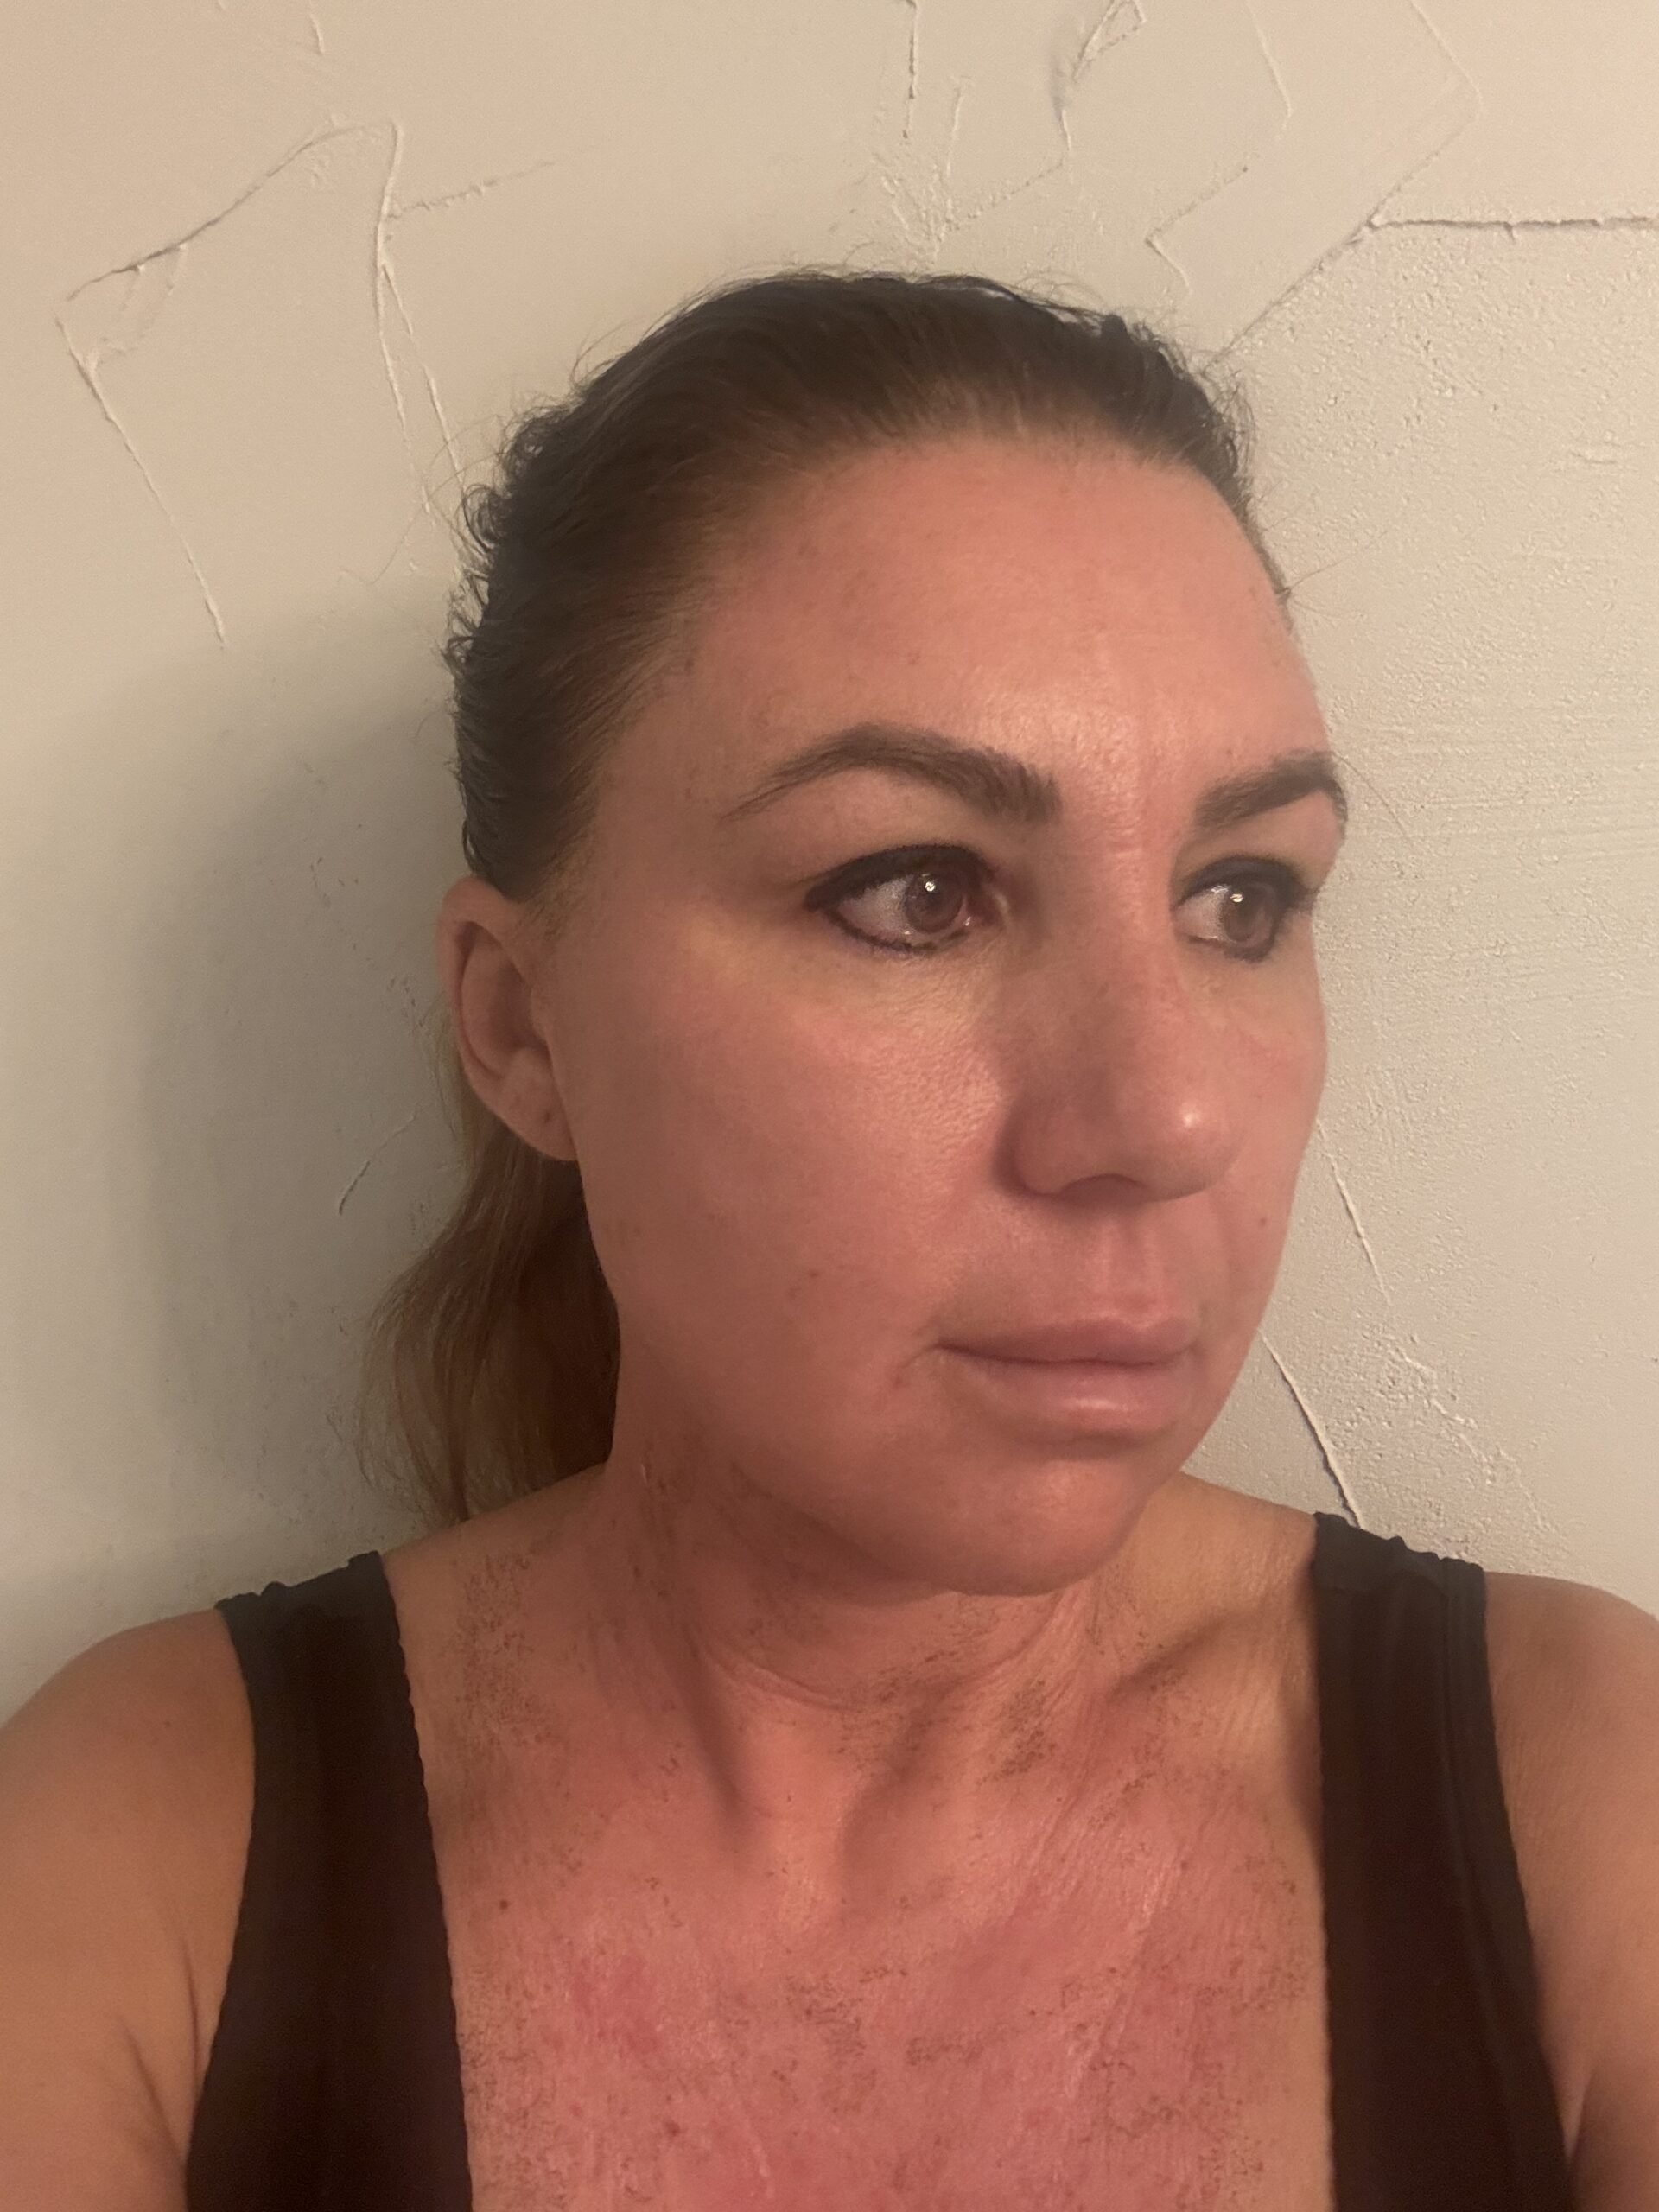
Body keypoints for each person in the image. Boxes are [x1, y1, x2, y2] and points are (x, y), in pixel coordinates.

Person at [0, 268, 1654, 2211]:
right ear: (524, 1028)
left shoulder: (1581, 1793)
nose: (1167, 1120)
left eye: (1240, 897)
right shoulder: (150, 1852)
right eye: (915, 890)